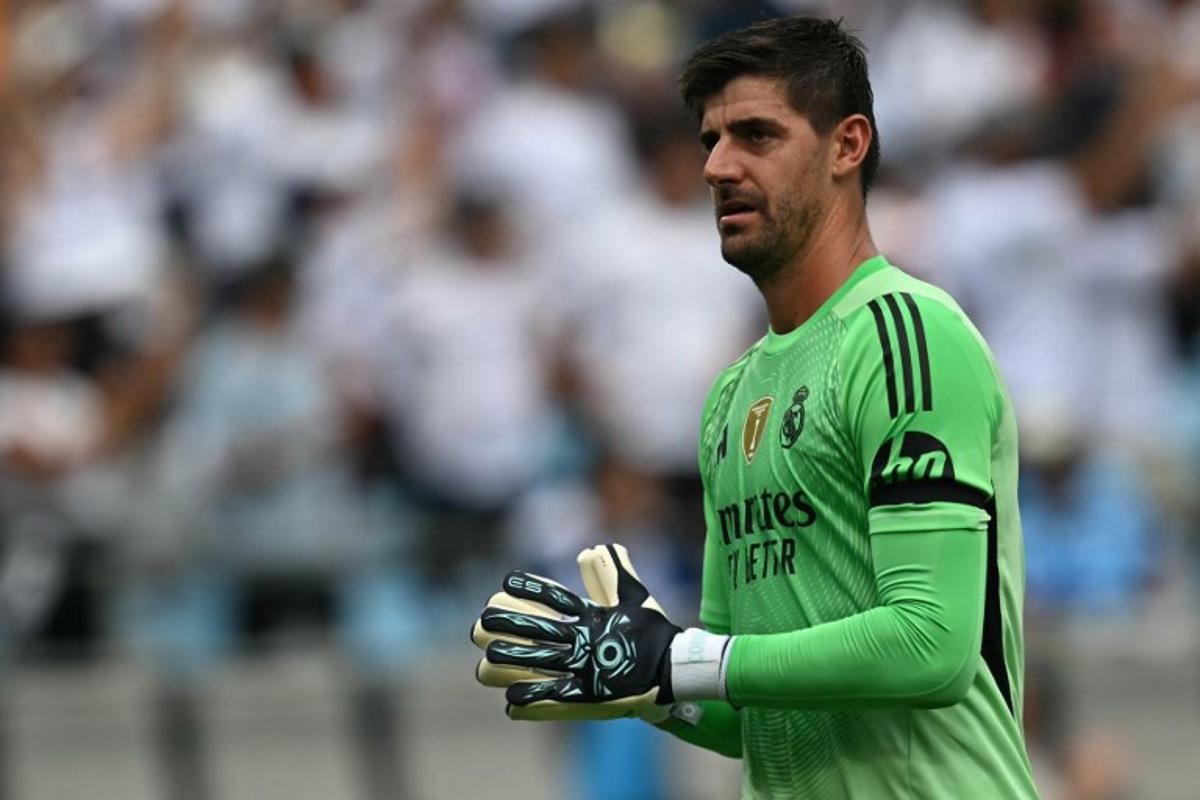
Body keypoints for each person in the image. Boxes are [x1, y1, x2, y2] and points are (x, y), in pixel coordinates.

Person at [472, 16, 1038, 799]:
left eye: (756, 136)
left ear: (848, 145)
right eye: (710, 140)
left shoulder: (907, 335)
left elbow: (931, 643)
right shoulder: (731, 398)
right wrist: (641, 677)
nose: (717, 167)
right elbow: (742, 711)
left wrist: (682, 659)